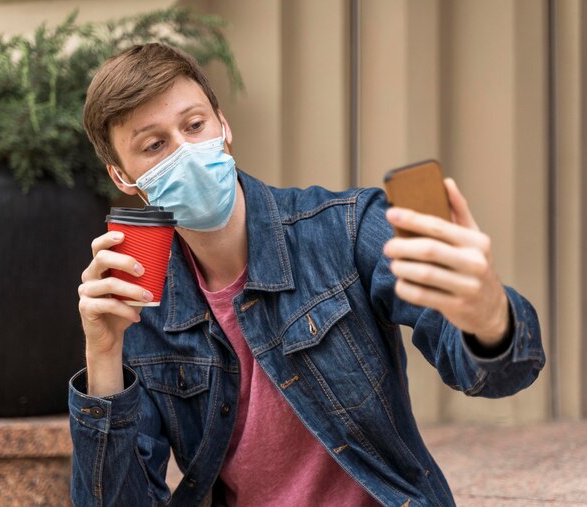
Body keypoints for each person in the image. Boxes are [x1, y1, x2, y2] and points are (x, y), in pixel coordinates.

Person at [70, 43, 545, 507]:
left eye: (195, 125)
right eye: (154, 145)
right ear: (122, 177)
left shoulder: (346, 228)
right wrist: (104, 353)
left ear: (223, 126)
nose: (185, 151)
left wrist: (488, 319)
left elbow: (504, 376)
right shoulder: (139, 304)